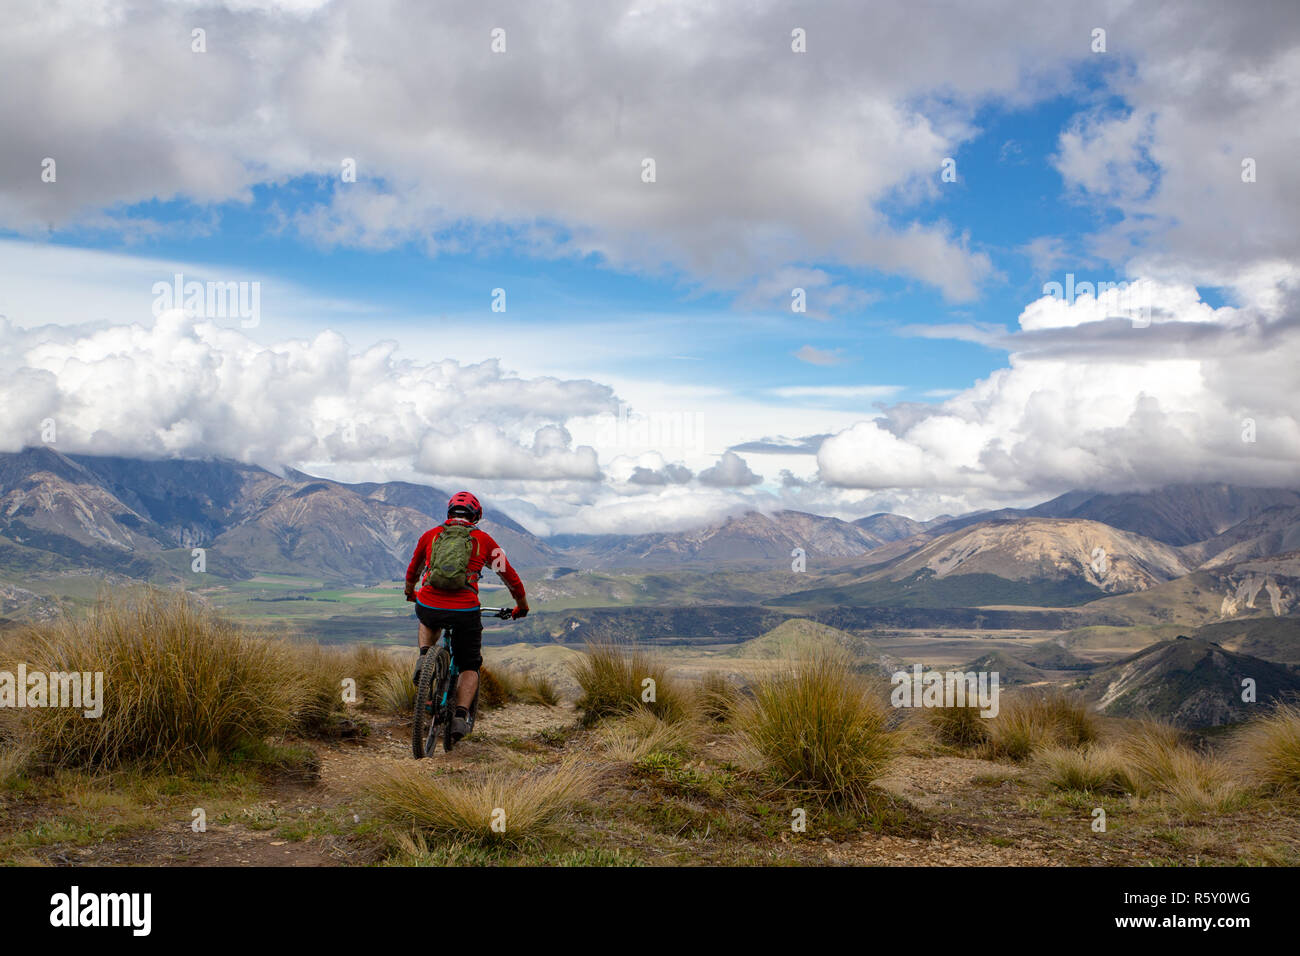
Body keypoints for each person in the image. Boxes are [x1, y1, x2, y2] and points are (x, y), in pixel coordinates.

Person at [404, 491, 529, 741]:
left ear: (449, 513)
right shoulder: (484, 541)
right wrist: (521, 605)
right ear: (476, 516)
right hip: (465, 611)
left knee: (427, 617)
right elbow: (510, 577)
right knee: (470, 664)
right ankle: (460, 716)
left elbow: (413, 569)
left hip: (430, 604)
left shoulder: (431, 536)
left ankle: (424, 657)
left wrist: (410, 592)